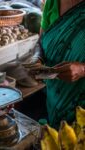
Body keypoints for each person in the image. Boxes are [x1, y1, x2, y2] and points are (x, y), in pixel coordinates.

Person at [28, 0, 85, 128]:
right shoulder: (52, 3)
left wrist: (82, 69)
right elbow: (40, 42)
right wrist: (37, 60)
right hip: (54, 101)